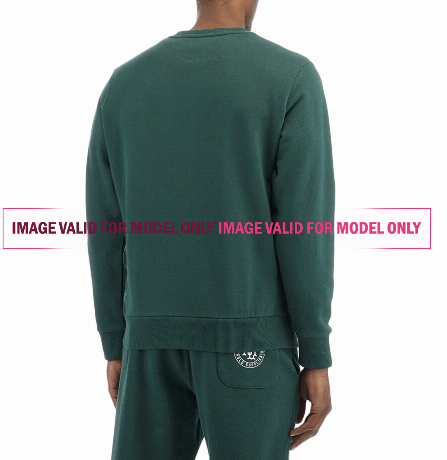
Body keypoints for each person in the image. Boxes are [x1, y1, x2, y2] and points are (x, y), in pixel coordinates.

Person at [86, 0, 334, 458]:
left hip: (148, 343)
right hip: (250, 342)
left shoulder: (123, 84)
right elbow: (304, 232)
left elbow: (105, 229)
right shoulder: (290, 77)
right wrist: (316, 355)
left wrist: (115, 342)